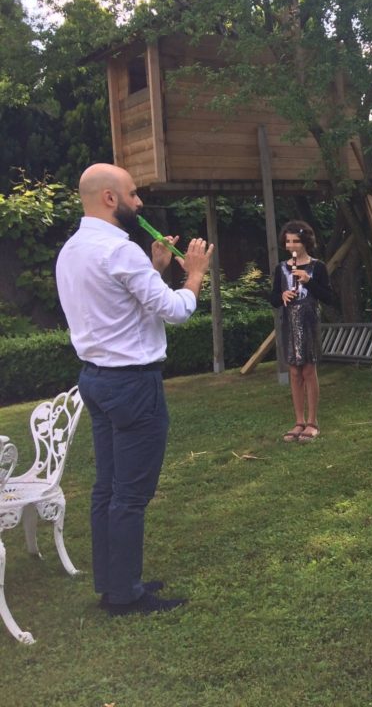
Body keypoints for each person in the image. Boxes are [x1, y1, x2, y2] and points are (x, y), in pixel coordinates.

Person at [55, 163, 213, 616]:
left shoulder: (72, 250)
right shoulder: (119, 251)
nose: (139, 202)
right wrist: (194, 273)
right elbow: (176, 311)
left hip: (96, 380)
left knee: (107, 487)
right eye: (133, 193)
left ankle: (114, 581)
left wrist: (154, 267)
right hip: (133, 385)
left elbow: (123, 307)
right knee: (130, 494)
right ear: (110, 198)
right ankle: (124, 595)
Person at [270, 220, 335, 442]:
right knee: (294, 372)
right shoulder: (281, 268)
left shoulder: (318, 267)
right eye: (288, 241)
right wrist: (281, 296)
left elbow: (327, 297)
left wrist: (308, 281)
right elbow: (272, 298)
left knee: (308, 370)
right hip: (289, 322)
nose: (291, 246)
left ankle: (313, 422)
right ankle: (298, 421)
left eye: (295, 241)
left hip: (308, 321)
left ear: (305, 241)